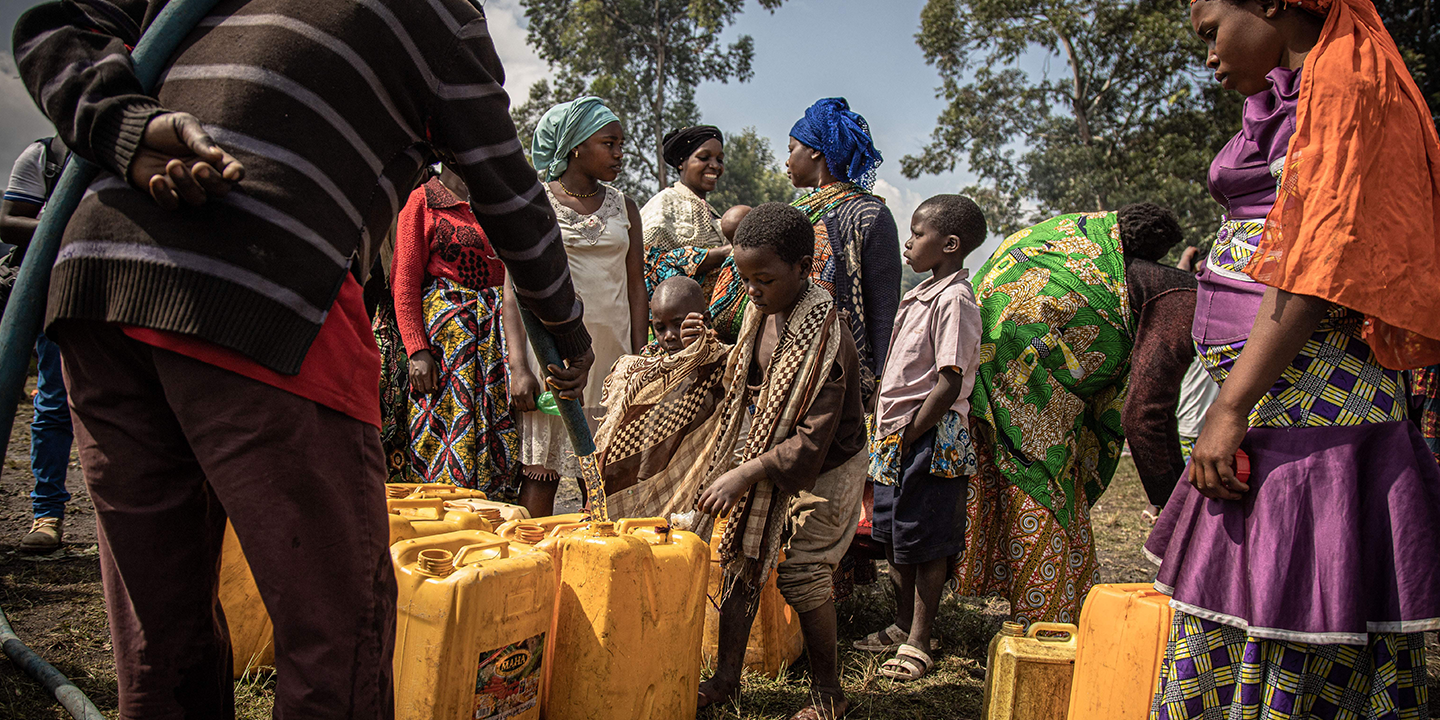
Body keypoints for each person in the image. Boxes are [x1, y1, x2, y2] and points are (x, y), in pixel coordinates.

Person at [13, 0, 593, 715]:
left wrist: (120, 126)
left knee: (161, 627)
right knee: (337, 632)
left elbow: (55, 21)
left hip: (103, 283)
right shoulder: (441, 15)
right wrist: (568, 330)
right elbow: (511, 197)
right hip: (266, 286)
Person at [1146, 1, 1440, 717]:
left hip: (1314, 419)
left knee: (1303, 619)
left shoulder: (1346, 86)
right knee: (1244, 609)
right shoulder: (1287, 97)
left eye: (1212, 32)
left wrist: (1231, 403)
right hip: (1274, 417)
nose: (1209, 55)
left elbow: (1315, 268)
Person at [956, 203, 1193, 626]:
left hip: (978, 366)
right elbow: (1145, 415)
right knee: (1045, 483)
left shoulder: (1070, 251)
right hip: (1024, 380)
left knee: (1018, 477)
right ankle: (1048, 620)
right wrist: (1176, 507)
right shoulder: (1180, 296)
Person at [695, 202, 867, 720]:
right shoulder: (760, 312)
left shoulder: (828, 339)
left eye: (764, 279)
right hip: (775, 455)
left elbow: (813, 439)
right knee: (743, 563)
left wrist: (746, 471)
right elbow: (748, 382)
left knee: (803, 573)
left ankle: (829, 696)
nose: (752, 291)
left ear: (803, 268)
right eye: (745, 279)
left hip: (830, 466)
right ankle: (726, 679)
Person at [855, 195, 985, 682]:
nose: (907, 242)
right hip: (898, 436)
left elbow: (948, 381)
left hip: (930, 437)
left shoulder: (955, 300)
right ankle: (901, 624)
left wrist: (909, 436)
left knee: (927, 542)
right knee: (895, 537)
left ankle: (920, 640)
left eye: (917, 234)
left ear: (949, 244)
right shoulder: (921, 294)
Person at [506, 96, 649, 518]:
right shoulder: (538, 204)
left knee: (606, 474)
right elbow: (513, 292)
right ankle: (532, 570)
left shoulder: (625, 207)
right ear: (575, 146)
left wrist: (640, 362)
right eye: (610, 143)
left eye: (622, 143)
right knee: (542, 473)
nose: (620, 153)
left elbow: (636, 288)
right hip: (553, 357)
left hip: (613, 358)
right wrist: (519, 366)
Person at [392, 166, 519, 494]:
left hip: (498, 341)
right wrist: (417, 350)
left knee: (498, 435)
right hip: (446, 348)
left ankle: (494, 529)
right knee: (445, 434)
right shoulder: (423, 202)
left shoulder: (497, 200)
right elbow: (404, 280)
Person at [593, 276, 728, 519]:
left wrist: (698, 353)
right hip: (650, 466)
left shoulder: (718, 359)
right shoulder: (651, 360)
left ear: (704, 320)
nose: (669, 336)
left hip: (696, 467)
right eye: (660, 328)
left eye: (678, 324)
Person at [2, 136, 75, 554]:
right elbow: (10, 219)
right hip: (47, 290)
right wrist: (76, 230)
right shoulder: (45, 157)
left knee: (60, 401)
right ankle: (47, 512)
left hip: (102, 294)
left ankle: (52, 514)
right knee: (51, 401)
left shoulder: (127, 151)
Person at [1115, 205, 1201, 521]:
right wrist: (1174, 513)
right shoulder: (1176, 292)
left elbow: (1150, 415)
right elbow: (1143, 417)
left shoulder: (1112, 279)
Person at [639, 126, 733, 298]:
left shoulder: (712, 213)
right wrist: (720, 254)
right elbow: (648, 266)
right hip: (676, 318)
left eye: (719, 159)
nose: (714, 165)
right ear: (681, 162)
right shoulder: (664, 203)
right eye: (704, 158)